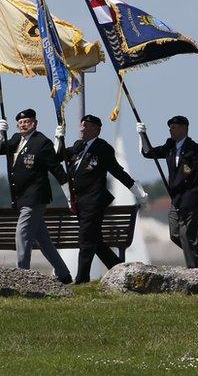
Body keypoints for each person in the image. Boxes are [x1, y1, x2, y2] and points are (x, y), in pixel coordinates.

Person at [56, 115, 149, 283]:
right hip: (79, 201)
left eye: (86, 126)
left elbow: (117, 171)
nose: (82, 129)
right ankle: (117, 266)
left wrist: (137, 190)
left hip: (94, 201)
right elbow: (57, 157)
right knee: (94, 240)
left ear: (96, 129)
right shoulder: (78, 146)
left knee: (85, 239)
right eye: (81, 125)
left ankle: (82, 279)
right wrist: (59, 139)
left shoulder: (102, 148)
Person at [0, 109, 72, 283]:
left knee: (22, 233)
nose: (22, 125)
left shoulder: (42, 142)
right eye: (19, 123)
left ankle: (22, 275)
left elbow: (57, 170)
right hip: (21, 197)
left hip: (35, 197)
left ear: (34, 123)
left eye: (26, 122)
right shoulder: (15, 139)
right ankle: (64, 274)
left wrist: (70, 197)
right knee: (43, 241)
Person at [137, 116, 198, 270]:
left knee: (187, 236)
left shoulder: (194, 149)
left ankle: (193, 271)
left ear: (183, 128)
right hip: (176, 199)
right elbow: (149, 153)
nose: (170, 130)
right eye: (170, 127)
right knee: (175, 234)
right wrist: (142, 135)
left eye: (173, 127)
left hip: (192, 198)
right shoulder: (170, 146)